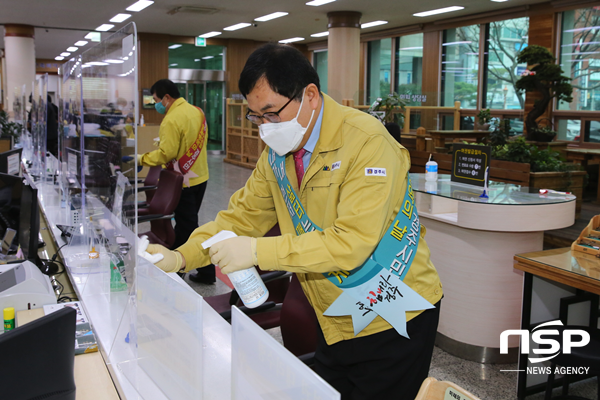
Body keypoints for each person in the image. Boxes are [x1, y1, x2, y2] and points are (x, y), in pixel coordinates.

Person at [146, 44, 443, 399]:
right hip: (334, 314)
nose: (265, 128)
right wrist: (180, 257)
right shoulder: (279, 153)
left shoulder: (366, 143)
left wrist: (256, 251)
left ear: (311, 96)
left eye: (271, 113)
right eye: (256, 116)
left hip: (392, 313)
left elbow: (350, 244)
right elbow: (239, 218)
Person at [136, 79, 212, 282]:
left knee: (187, 226)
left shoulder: (171, 119)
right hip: (200, 176)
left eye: (156, 100)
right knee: (190, 224)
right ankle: (204, 271)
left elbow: (165, 154)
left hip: (183, 182)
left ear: (167, 98)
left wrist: (141, 158)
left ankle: (180, 269)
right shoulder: (197, 111)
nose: (156, 104)